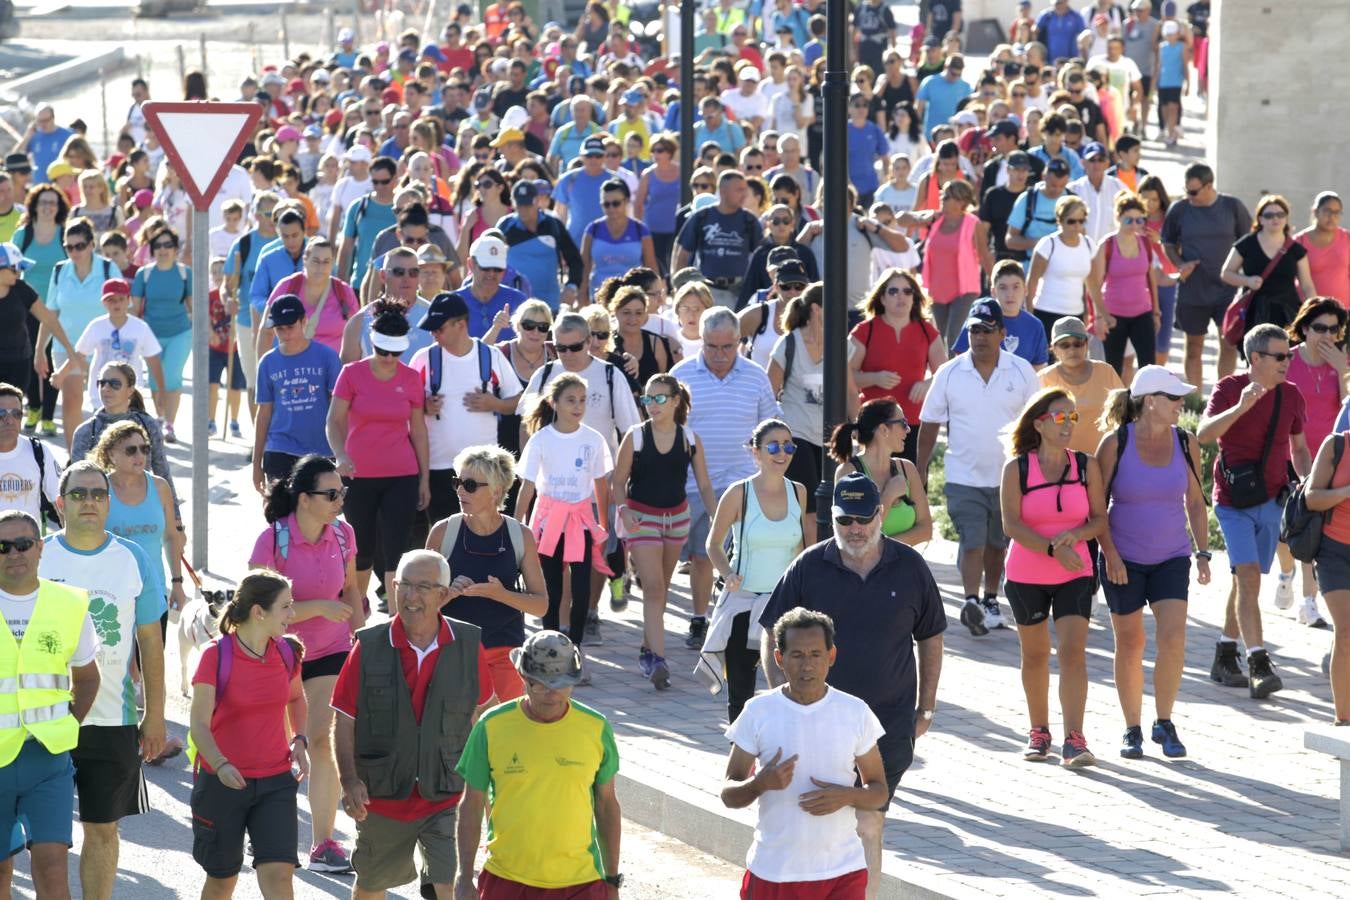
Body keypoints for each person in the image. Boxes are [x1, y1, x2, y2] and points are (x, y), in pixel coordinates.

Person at [758, 474, 945, 900]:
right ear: (833, 520)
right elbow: (772, 629)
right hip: (820, 718)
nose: (855, 529)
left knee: (868, 821)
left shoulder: (910, 566)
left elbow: (931, 636)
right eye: (845, 520)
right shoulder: (809, 565)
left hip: (888, 721)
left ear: (880, 515)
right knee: (822, 821)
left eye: (864, 518)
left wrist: (926, 708)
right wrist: (779, 698)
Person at [33, 459, 166, 900]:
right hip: (41, 716)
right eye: (78, 494)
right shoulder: (34, 555)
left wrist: (155, 716)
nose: (89, 501)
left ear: (109, 503)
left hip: (112, 719)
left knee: (103, 829)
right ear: (59, 502)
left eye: (97, 494)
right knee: (41, 838)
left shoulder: (133, 559)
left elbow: (150, 643)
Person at [333, 550, 494, 900]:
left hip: (446, 793)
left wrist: (492, 789)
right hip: (384, 795)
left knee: (444, 886)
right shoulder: (369, 645)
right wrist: (348, 780)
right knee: (372, 886)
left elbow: (486, 718)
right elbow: (344, 720)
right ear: (392, 587)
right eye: (404, 585)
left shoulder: (468, 645)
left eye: (423, 587)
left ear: (442, 594)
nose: (411, 596)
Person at [720, 607, 887, 900]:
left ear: (831, 656)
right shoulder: (758, 712)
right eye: (797, 655)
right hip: (774, 873)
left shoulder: (855, 712)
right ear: (779, 659)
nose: (807, 665)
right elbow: (728, 793)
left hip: (843, 873)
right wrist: (760, 783)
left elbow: (879, 791)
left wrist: (847, 796)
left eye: (815, 654)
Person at [249, 455, 363, 873]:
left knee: (321, 740)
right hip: (277, 653)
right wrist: (316, 607)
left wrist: (362, 642)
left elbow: (351, 591)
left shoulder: (344, 535)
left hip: (332, 652)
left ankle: (323, 843)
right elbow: (257, 610)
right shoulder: (272, 540)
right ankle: (261, 827)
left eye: (342, 493)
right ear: (303, 497)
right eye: (330, 494)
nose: (339, 501)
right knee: (279, 748)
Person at [453, 629, 623, 898]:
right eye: (541, 684)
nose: (552, 694)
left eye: (562, 684)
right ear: (523, 677)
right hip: (507, 880)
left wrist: (612, 880)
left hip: (580, 883)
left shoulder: (596, 727)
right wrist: (463, 875)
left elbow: (606, 805)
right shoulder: (492, 726)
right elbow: (471, 804)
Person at [1095, 366, 1209, 759]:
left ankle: (1164, 722)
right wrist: (1109, 554)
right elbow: (1096, 507)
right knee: (1130, 643)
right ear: (1150, 402)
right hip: (1122, 558)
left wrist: (1203, 552)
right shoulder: (1115, 443)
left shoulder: (1186, 441)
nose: (1182, 404)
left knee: (1173, 639)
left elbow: (1195, 501)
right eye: (1175, 398)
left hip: (1172, 556)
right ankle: (1132, 728)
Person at [1197, 323, 1311, 698]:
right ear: (1256, 358)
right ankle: (1259, 662)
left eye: (1289, 355)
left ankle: (1225, 653)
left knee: (1247, 580)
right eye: (1280, 356)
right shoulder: (1229, 388)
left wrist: (1308, 484)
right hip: (1231, 500)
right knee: (1246, 575)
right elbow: (1204, 434)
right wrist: (1241, 405)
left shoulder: (1292, 395)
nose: (1287, 362)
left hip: (1271, 499)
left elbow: (1298, 447)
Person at [919, 298, 1040, 635]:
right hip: (962, 474)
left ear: (1002, 332)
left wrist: (1036, 467)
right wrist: (920, 470)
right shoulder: (949, 372)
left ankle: (990, 598)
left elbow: (1037, 421)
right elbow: (929, 424)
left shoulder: (1022, 371)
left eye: (987, 330)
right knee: (973, 538)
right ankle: (971, 601)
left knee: (997, 542)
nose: (980, 337)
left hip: (1009, 475)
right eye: (974, 330)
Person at [1000, 388, 1108, 767]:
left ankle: (1074, 739)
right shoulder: (1017, 468)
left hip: (1075, 572)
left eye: (1073, 417)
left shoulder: (1085, 465)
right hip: (1026, 574)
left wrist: (1076, 537)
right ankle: (1038, 731)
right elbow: (1011, 524)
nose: (1068, 425)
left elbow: (1099, 519)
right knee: (1034, 655)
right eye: (1061, 417)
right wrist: (1051, 548)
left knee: (1073, 652)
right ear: (1040, 423)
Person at [188, 571, 309, 900]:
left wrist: (300, 739)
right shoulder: (216, 655)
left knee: (280, 877)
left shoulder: (286, 654)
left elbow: (297, 698)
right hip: (223, 782)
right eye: (285, 607)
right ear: (259, 612)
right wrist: (221, 764)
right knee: (222, 880)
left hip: (276, 782)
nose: (292, 615)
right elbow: (198, 723)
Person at [0, 509, 100, 900]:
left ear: (40, 547)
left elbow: (88, 678)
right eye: (3, 546)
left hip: (48, 760)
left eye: (24, 544)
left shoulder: (69, 604)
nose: (14, 553)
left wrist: (67, 723)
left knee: (52, 865)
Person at [670, 307, 782, 649]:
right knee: (703, 556)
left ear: (739, 342)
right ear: (700, 341)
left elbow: (770, 424)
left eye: (727, 347)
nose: (720, 355)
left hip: (746, 484)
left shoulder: (755, 376)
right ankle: (700, 618)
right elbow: (671, 429)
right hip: (695, 483)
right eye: (711, 346)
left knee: (748, 554)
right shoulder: (681, 375)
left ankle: (746, 622)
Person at [610, 375, 716, 689]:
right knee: (654, 588)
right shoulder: (636, 436)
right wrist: (623, 510)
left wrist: (717, 518)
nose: (652, 406)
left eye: (659, 399)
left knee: (662, 587)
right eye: (647, 399)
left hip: (677, 519)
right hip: (641, 519)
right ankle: (657, 659)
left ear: (674, 401)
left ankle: (647, 648)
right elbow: (617, 480)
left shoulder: (690, 438)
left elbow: (705, 484)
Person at [703, 419, 810, 722]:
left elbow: (801, 548)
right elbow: (713, 544)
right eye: (773, 446)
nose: (782, 453)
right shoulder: (739, 493)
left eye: (788, 446)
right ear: (756, 451)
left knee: (791, 685)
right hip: (744, 603)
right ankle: (740, 763)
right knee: (741, 691)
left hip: (785, 605)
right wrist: (727, 573)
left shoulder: (799, 492)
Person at [427, 445, 549, 702]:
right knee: (456, 735)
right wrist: (448, 594)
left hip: (505, 652)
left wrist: (501, 594)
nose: (460, 490)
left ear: (496, 491)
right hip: (453, 650)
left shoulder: (520, 535)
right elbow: (417, 603)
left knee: (500, 734)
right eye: (457, 482)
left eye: (470, 485)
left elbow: (540, 605)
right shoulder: (443, 532)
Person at [327, 303, 431, 599]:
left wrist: (424, 479)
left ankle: (395, 625)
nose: (388, 359)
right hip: (358, 475)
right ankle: (358, 616)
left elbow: (419, 431)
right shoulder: (351, 374)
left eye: (395, 353)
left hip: (402, 475)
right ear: (371, 344)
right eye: (382, 351)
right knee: (361, 550)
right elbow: (334, 421)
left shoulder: (411, 378)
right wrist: (341, 455)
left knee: (397, 550)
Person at [515, 373, 612, 673]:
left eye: (583, 400)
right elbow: (527, 485)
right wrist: (517, 525)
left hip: (580, 522)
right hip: (547, 523)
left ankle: (577, 649)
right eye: (571, 400)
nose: (578, 406)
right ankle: (549, 647)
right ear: (554, 402)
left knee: (582, 589)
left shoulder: (593, 439)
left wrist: (604, 523)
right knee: (552, 590)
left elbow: (600, 484)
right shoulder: (542, 439)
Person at [411, 292, 523, 525]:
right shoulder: (423, 359)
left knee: (485, 532)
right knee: (445, 538)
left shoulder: (490, 355)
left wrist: (495, 404)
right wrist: (423, 407)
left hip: (484, 469)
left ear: (460, 325)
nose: (433, 334)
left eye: (438, 328)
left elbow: (518, 402)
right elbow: (406, 408)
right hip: (439, 468)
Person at [1275, 299, 1347, 626]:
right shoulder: (1287, 361)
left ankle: (1309, 601)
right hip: (1290, 452)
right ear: (1304, 328)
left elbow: (1347, 412)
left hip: (1330, 459)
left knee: (1313, 523)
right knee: (1285, 531)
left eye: (1334, 329)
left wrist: (1343, 370)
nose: (1327, 335)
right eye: (1320, 328)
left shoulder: (1342, 363)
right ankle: (1286, 572)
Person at [1161, 163, 1251, 392]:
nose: (1188, 196)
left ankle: (1221, 397)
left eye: (1193, 191)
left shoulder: (1232, 207)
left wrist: (1244, 277)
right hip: (1193, 289)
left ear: (1209, 185)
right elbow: (1168, 243)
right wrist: (1180, 264)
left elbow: (1248, 242)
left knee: (1228, 344)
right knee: (1193, 347)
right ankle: (1193, 399)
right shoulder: (1179, 209)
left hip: (1227, 290)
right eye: (1186, 190)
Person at [848, 269, 946, 463]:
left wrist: (927, 385)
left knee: (911, 487)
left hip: (913, 424)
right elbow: (845, 375)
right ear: (882, 298)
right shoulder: (864, 331)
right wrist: (874, 378)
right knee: (874, 487)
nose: (901, 296)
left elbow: (944, 374)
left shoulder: (927, 331)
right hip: (875, 424)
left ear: (914, 296)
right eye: (893, 291)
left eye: (907, 291)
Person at [251, 295, 344, 492]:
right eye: (279, 329)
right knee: (282, 516)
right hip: (279, 448)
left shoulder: (327, 357)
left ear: (304, 321)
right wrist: (256, 463)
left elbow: (339, 410)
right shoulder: (267, 363)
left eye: (290, 327)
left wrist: (343, 452)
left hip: (321, 450)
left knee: (317, 516)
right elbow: (264, 413)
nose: (285, 333)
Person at [768, 284, 838, 508]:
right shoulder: (788, 343)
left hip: (829, 437)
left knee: (830, 505)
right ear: (816, 309)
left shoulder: (838, 344)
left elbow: (850, 391)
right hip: (796, 433)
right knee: (808, 506)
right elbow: (769, 392)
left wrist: (858, 431)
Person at [829, 399, 932, 545]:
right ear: (884, 429)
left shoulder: (907, 469)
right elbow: (855, 532)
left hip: (902, 565)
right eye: (903, 423)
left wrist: (888, 549)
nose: (908, 429)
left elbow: (926, 530)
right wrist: (888, 497)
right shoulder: (848, 472)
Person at [1220, 194, 1316, 340]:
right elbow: (1225, 273)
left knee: (1286, 357)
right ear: (1260, 219)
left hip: (1287, 313)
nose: (1275, 219)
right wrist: (1247, 281)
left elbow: (1307, 285)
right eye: (1269, 215)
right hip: (1254, 311)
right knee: (1256, 356)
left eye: (1280, 214)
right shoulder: (1246, 244)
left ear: (1286, 218)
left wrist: (1316, 311)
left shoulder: (1296, 249)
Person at [130, 220, 191, 441]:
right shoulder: (143, 275)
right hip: (151, 334)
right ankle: (160, 416)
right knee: (156, 380)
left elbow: (194, 307)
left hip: (180, 332)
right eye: (158, 246)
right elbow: (135, 309)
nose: (163, 250)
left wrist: (208, 331)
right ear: (152, 250)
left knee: (172, 376)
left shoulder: (185, 273)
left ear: (175, 248)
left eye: (167, 245)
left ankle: (170, 424)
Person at [1088, 192, 1161, 376]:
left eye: (1139, 220)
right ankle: (1116, 404)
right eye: (1129, 220)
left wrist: (1156, 312)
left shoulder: (1145, 242)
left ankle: (1145, 403)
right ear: (1118, 217)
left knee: (1148, 366)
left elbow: (1151, 278)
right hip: (1113, 315)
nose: (1135, 225)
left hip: (1142, 312)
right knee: (1113, 368)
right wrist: (1099, 317)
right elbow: (1094, 285)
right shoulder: (1107, 244)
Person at [672, 171, 763, 309]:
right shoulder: (702, 217)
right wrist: (680, 287)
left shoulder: (750, 221)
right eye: (739, 190)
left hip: (739, 293)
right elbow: (683, 254)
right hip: (707, 292)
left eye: (745, 189)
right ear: (723, 191)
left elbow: (761, 257)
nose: (744, 194)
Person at [1038, 316, 1125, 454]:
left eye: (1077, 343)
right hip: (1059, 463)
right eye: (1065, 345)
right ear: (1053, 348)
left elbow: (1125, 412)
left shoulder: (1106, 372)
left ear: (1087, 344)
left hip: (1103, 458)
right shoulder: (1043, 379)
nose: (1072, 350)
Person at [951, 260, 1050, 370]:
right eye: (1003, 287)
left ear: (1025, 290)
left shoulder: (1035, 325)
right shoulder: (978, 321)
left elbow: (1039, 368)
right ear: (993, 292)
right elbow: (960, 361)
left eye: (1016, 287)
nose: (1010, 294)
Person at [1026, 195, 1096, 341]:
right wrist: (1030, 318)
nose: (1077, 226)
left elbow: (1091, 284)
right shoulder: (1048, 244)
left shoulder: (1089, 245)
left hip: (1075, 314)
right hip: (1045, 312)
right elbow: (1032, 281)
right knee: (1045, 361)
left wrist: (1090, 313)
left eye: (1081, 221)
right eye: (1071, 221)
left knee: (1074, 361)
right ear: (1060, 220)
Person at [580, 179, 657, 301]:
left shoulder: (640, 230)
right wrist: (582, 297)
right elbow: (584, 269)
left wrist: (655, 298)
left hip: (633, 300)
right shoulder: (592, 229)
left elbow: (651, 268)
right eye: (606, 204)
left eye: (616, 203)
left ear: (626, 201)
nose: (611, 208)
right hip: (599, 297)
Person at [0, 382, 61, 528]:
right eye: (1, 413)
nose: (9, 420)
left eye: (16, 414)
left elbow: (62, 504)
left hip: (29, 547)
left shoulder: (39, 451)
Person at [1296, 192, 1350, 306]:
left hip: (1344, 309)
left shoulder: (1347, 238)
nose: (1332, 216)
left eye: (1337, 212)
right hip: (1309, 309)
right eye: (1327, 211)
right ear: (1315, 212)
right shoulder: (1299, 241)